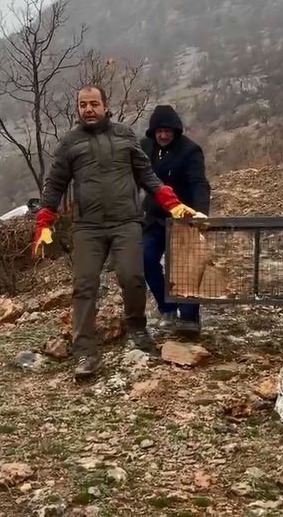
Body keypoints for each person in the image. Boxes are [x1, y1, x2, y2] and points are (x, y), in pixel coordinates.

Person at [32, 86, 202, 379]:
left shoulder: (124, 135)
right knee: (85, 285)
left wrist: (172, 204)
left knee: (132, 277)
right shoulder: (70, 142)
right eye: (83, 104)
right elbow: (55, 183)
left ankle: (137, 328)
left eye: (93, 104)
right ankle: (85, 351)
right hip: (88, 227)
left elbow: (146, 174)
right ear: (78, 108)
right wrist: (44, 221)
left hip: (127, 222)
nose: (88, 109)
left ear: (105, 105)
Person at [140, 105, 211, 338]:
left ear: (176, 131)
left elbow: (199, 184)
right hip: (154, 217)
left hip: (184, 218)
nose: (163, 135)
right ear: (153, 132)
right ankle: (167, 307)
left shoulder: (190, 151)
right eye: (159, 131)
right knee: (146, 259)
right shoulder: (145, 148)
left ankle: (189, 317)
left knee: (185, 268)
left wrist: (200, 215)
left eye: (167, 131)